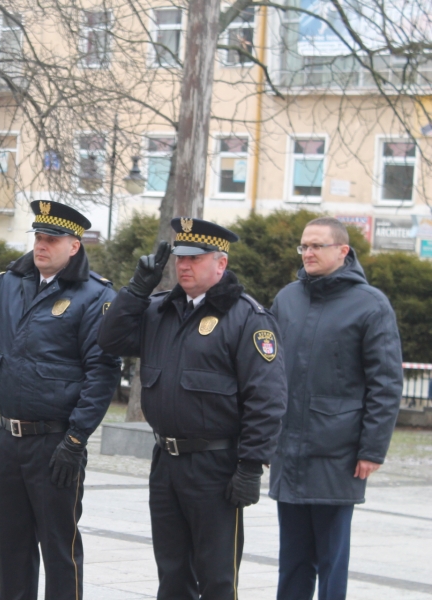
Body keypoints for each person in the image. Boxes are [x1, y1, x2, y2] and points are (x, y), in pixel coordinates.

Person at [0, 200, 121, 600]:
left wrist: (76, 439)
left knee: (59, 547)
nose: (41, 245)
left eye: (52, 239)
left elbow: (102, 373)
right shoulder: (10, 282)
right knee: (12, 546)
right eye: (38, 236)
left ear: (74, 246)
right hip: (9, 437)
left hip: (56, 442)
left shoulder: (95, 296)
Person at [98, 217, 288, 600]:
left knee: (216, 577)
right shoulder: (158, 309)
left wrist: (251, 465)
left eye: (195, 258)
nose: (183, 265)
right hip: (166, 461)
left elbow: (266, 398)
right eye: (180, 258)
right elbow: (110, 339)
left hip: (215, 466)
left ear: (221, 263)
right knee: (172, 574)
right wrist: (136, 290)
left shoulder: (247, 318)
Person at [269, 217, 403, 600]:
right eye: (304, 246)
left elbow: (386, 383)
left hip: (338, 453)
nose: (308, 253)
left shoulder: (370, 304)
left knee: (332, 559)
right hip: (288, 451)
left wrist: (372, 449)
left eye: (317, 246)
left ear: (343, 251)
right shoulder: (287, 299)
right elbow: (269, 372)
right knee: (292, 559)